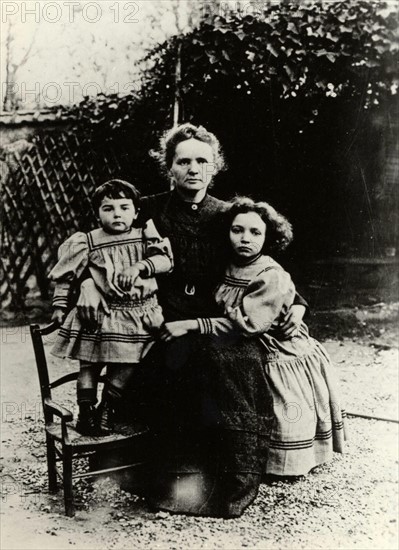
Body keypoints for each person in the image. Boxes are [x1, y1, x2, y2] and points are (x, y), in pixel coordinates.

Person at [75, 124, 308, 516]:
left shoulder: (227, 215)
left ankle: (228, 476)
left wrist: (298, 303)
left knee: (229, 366)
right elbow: (103, 245)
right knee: (170, 365)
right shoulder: (144, 209)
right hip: (160, 320)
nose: (193, 169)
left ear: (215, 167)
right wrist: (88, 284)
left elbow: (262, 268)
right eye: (183, 161)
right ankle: (165, 478)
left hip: (221, 320)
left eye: (202, 161)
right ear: (170, 167)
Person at [161, 196, 347, 478]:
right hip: (239, 334)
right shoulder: (227, 264)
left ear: (268, 237)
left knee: (280, 402)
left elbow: (249, 324)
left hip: (273, 340)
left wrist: (191, 325)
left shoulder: (269, 273)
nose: (244, 239)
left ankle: (281, 461)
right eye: (237, 230)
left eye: (255, 232)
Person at [49, 179, 172, 435]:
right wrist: (60, 304)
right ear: (97, 213)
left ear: (136, 212)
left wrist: (141, 266)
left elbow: (164, 260)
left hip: (139, 313)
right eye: (108, 208)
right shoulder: (88, 241)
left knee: (129, 363)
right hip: (100, 312)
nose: (117, 213)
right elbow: (65, 275)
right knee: (89, 365)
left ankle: (107, 408)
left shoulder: (144, 236)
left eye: (124, 207)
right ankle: (85, 411)